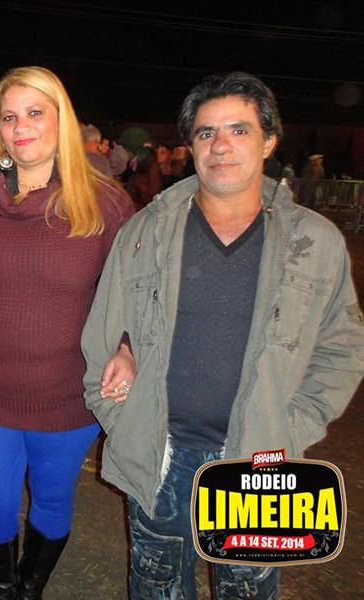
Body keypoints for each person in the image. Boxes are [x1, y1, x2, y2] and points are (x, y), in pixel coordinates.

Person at [82, 72, 364, 600]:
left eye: (239, 129)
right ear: (190, 146)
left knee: (246, 590)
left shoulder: (315, 242)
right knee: (158, 587)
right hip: (159, 457)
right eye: (207, 133)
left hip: (258, 463)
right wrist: (122, 408)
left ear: (269, 141)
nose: (221, 145)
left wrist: (290, 428)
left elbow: (341, 349)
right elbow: (104, 332)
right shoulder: (143, 234)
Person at [0, 66, 135, 599]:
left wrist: (127, 349)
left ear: (61, 121)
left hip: (68, 393)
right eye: (9, 117)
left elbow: (136, 293)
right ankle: (3, 588)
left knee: (52, 501)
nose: (21, 126)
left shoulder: (104, 202)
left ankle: (30, 588)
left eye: (35, 113)